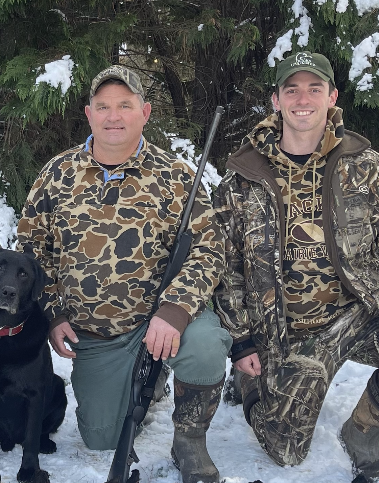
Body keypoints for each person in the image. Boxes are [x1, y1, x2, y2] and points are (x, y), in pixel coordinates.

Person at [213, 51, 379, 483]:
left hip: (358, 313)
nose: (303, 99)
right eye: (292, 89)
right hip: (284, 329)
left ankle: (362, 433)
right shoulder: (242, 178)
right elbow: (228, 268)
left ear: (331, 97)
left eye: (314, 88)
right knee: (285, 450)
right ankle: (249, 386)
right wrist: (241, 341)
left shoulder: (366, 166)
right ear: (276, 100)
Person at [16, 65, 232, 483]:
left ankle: (190, 439)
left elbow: (209, 249)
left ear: (145, 112)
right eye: (103, 107)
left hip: (160, 320)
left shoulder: (175, 177)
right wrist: (53, 314)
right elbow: (32, 253)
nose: (113, 116)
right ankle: (148, 377)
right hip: (96, 335)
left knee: (205, 345)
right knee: (100, 438)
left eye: (125, 105)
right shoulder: (56, 174)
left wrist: (175, 311)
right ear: (89, 114)